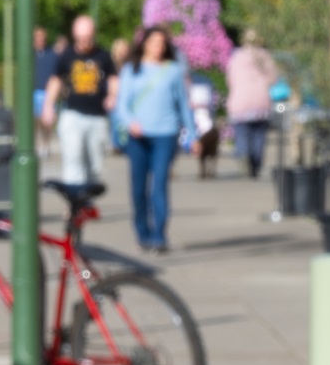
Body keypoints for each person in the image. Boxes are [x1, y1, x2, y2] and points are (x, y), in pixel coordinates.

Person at [111, 26, 196, 253]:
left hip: (165, 134)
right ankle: (143, 233)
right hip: (138, 137)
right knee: (138, 189)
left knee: (159, 186)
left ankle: (159, 235)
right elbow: (122, 105)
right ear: (145, 44)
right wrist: (131, 123)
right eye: (154, 42)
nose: (158, 47)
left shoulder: (173, 70)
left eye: (162, 43)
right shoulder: (131, 70)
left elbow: (183, 106)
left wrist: (192, 134)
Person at [42, 14, 118, 187]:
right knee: (73, 158)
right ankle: (75, 203)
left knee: (95, 164)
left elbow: (113, 79)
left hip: (97, 116)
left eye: (88, 39)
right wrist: (48, 106)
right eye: (81, 39)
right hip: (72, 114)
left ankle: (86, 201)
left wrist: (113, 97)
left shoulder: (103, 55)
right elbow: (56, 80)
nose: (85, 43)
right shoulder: (66, 55)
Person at [226, 28, 282, 179]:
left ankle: (243, 155)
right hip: (261, 103)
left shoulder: (237, 57)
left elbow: (230, 80)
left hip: (240, 103)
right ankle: (255, 163)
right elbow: (273, 79)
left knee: (242, 135)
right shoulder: (265, 57)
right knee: (259, 136)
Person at [31, 26, 59, 157]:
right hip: (34, 92)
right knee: (34, 122)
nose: (40, 40)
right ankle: (36, 146)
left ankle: (46, 145)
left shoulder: (52, 54)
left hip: (47, 93)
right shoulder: (29, 55)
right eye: (37, 38)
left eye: (42, 38)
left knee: (46, 122)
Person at [189, 73, 220, 178]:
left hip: (203, 124)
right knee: (211, 150)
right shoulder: (205, 85)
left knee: (205, 147)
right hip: (206, 123)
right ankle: (207, 170)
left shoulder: (198, 86)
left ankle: (203, 170)